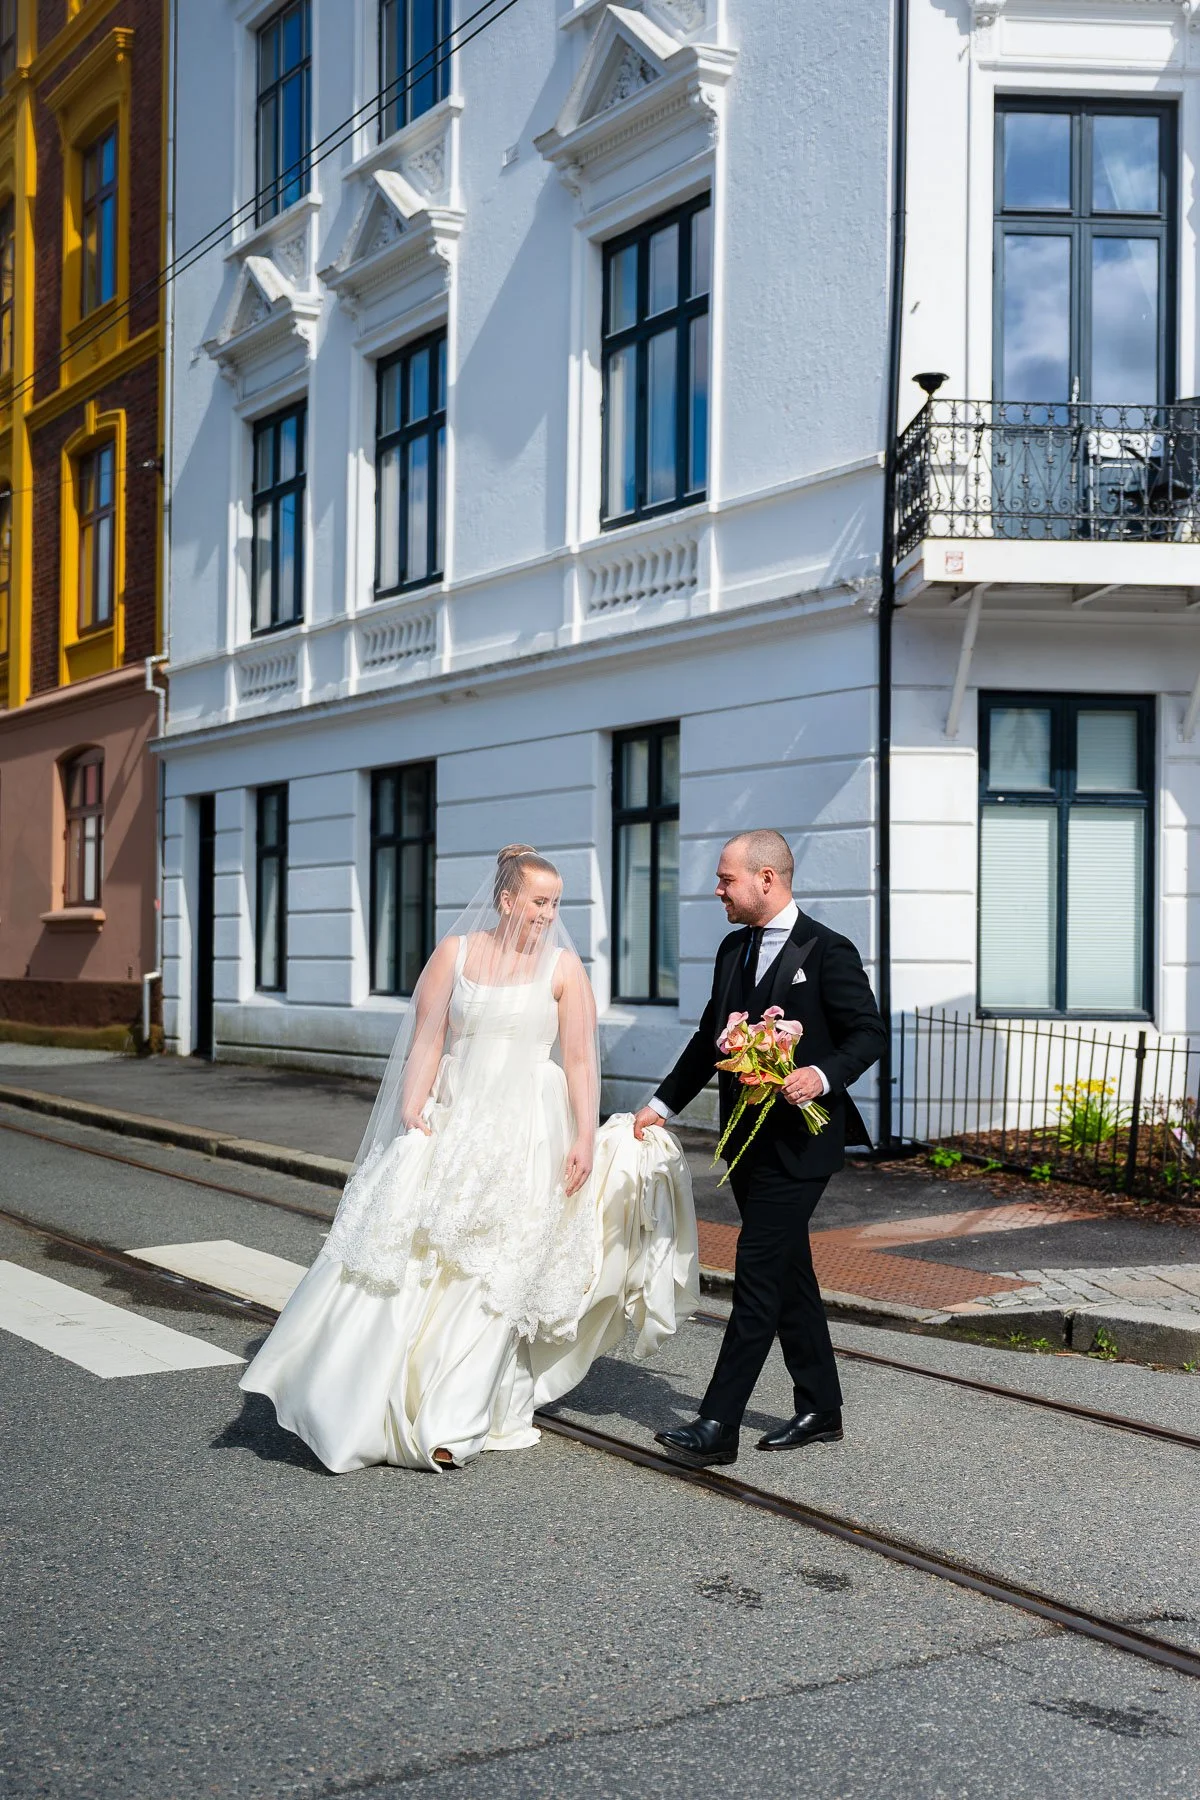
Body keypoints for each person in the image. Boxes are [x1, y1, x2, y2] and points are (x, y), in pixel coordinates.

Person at [242, 846, 698, 1472]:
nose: (548, 914)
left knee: (497, 1271)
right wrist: (412, 1110)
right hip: (458, 1117)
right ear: (507, 899)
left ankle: (453, 1420)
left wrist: (584, 1137)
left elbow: (582, 1060)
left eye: (555, 904)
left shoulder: (564, 969)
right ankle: (376, 1389)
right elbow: (428, 1035)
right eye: (540, 902)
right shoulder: (455, 954)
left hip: (531, 1132)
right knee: (425, 1261)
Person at [632, 829, 886, 1468]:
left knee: (757, 1272)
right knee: (787, 1270)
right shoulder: (730, 949)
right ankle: (821, 1405)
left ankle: (719, 1422)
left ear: (766, 879)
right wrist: (661, 1105)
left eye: (726, 880)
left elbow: (867, 1033)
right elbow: (708, 1039)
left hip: (802, 1143)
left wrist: (821, 1074)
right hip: (744, 1140)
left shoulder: (828, 950)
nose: (717, 890)